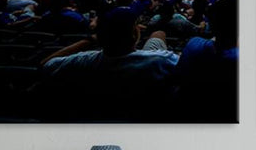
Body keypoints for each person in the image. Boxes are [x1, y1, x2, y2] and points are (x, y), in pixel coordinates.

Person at [38, 7, 178, 120]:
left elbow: (45, 64)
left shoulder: (84, 61)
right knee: (158, 34)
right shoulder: (161, 60)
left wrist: (89, 40)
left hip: (98, 98)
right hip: (146, 71)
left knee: (157, 35)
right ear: (134, 35)